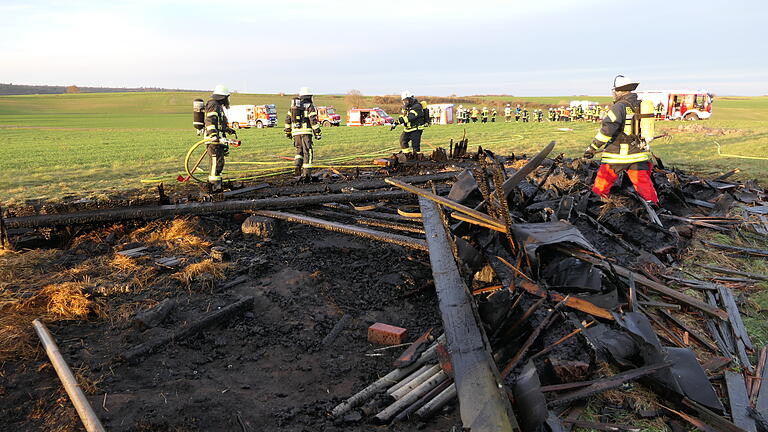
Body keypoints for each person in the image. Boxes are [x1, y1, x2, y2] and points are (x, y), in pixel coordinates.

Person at [583, 75, 659, 205]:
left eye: (614, 91)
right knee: (644, 186)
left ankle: (596, 207)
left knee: (601, 184)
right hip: (638, 154)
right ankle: (654, 208)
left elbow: (607, 130)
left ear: (619, 91)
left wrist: (592, 148)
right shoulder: (640, 105)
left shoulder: (619, 107)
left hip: (617, 156)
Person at [204, 84, 237, 190]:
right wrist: (213, 135)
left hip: (218, 139)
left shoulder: (218, 106)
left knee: (219, 162)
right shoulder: (213, 105)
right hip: (213, 140)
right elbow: (210, 121)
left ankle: (218, 184)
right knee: (215, 162)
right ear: (222, 97)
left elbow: (219, 123)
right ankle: (214, 187)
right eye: (227, 97)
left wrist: (227, 129)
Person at [284, 86, 321, 180]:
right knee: (307, 152)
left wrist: (288, 132)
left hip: (296, 134)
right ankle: (306, 174)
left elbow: (287, 120)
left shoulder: (293, 106)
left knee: (299, 152)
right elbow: (313, 121)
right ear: (309, 96)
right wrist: (317, 133)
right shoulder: (310, 106)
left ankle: (297, 168)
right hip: (306, 133)